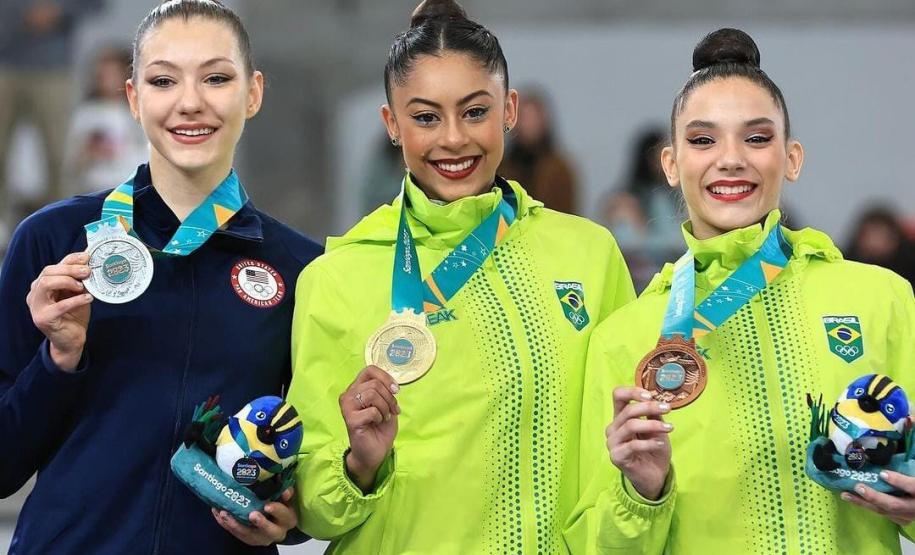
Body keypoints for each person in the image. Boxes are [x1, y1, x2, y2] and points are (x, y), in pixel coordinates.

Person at [287, 1, 634, 553]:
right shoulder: (336, 278)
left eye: (475, 112)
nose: (453, 139)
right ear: (392, 125)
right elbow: (314, 507)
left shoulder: (589, 256)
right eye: (425, 117)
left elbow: (622, 459)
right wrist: (359, 464)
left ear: (510, 110)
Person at [566, 28, 915, 554]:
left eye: (757, 137)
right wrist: (641, 491)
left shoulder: (882, 299)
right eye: (703, 140)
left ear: (792, 158)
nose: (731, 159)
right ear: (670, 164)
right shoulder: (627, 337)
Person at [0, 1, 322, 553]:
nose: (190, 102)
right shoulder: (54, 244)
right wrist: (57, 363)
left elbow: (308, 463)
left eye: (217, 78)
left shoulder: (302, 269)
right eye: (163, 80)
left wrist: (292, 521)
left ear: (253, 93)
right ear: (133, 97)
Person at [0, 0, 103, 234]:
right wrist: (19, 14)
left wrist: (58, 10)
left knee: (60, 154)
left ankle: (60, 228)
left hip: (54, 68)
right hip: (4, 61)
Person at [63, 45, 148, 195]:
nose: (106, 80)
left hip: (129, 190)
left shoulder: (140, 112)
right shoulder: (86, 114)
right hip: (94, 189)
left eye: (113, 74)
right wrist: (88, 154)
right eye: (102, 74)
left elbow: (147, 155)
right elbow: (71, 160)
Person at [499, 88, 578, 214]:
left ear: (543, 122)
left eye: (533, 118)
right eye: (524, 117)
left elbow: (566, 215)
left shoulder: (560, 170)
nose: (528, 124)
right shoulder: (501, 167)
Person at [846, 205, 915, 289]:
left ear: (895, 239)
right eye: (871, 236)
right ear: (860, 237)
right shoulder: (845, 263)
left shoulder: (909, 266)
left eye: (882, 236)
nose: (875, 242)